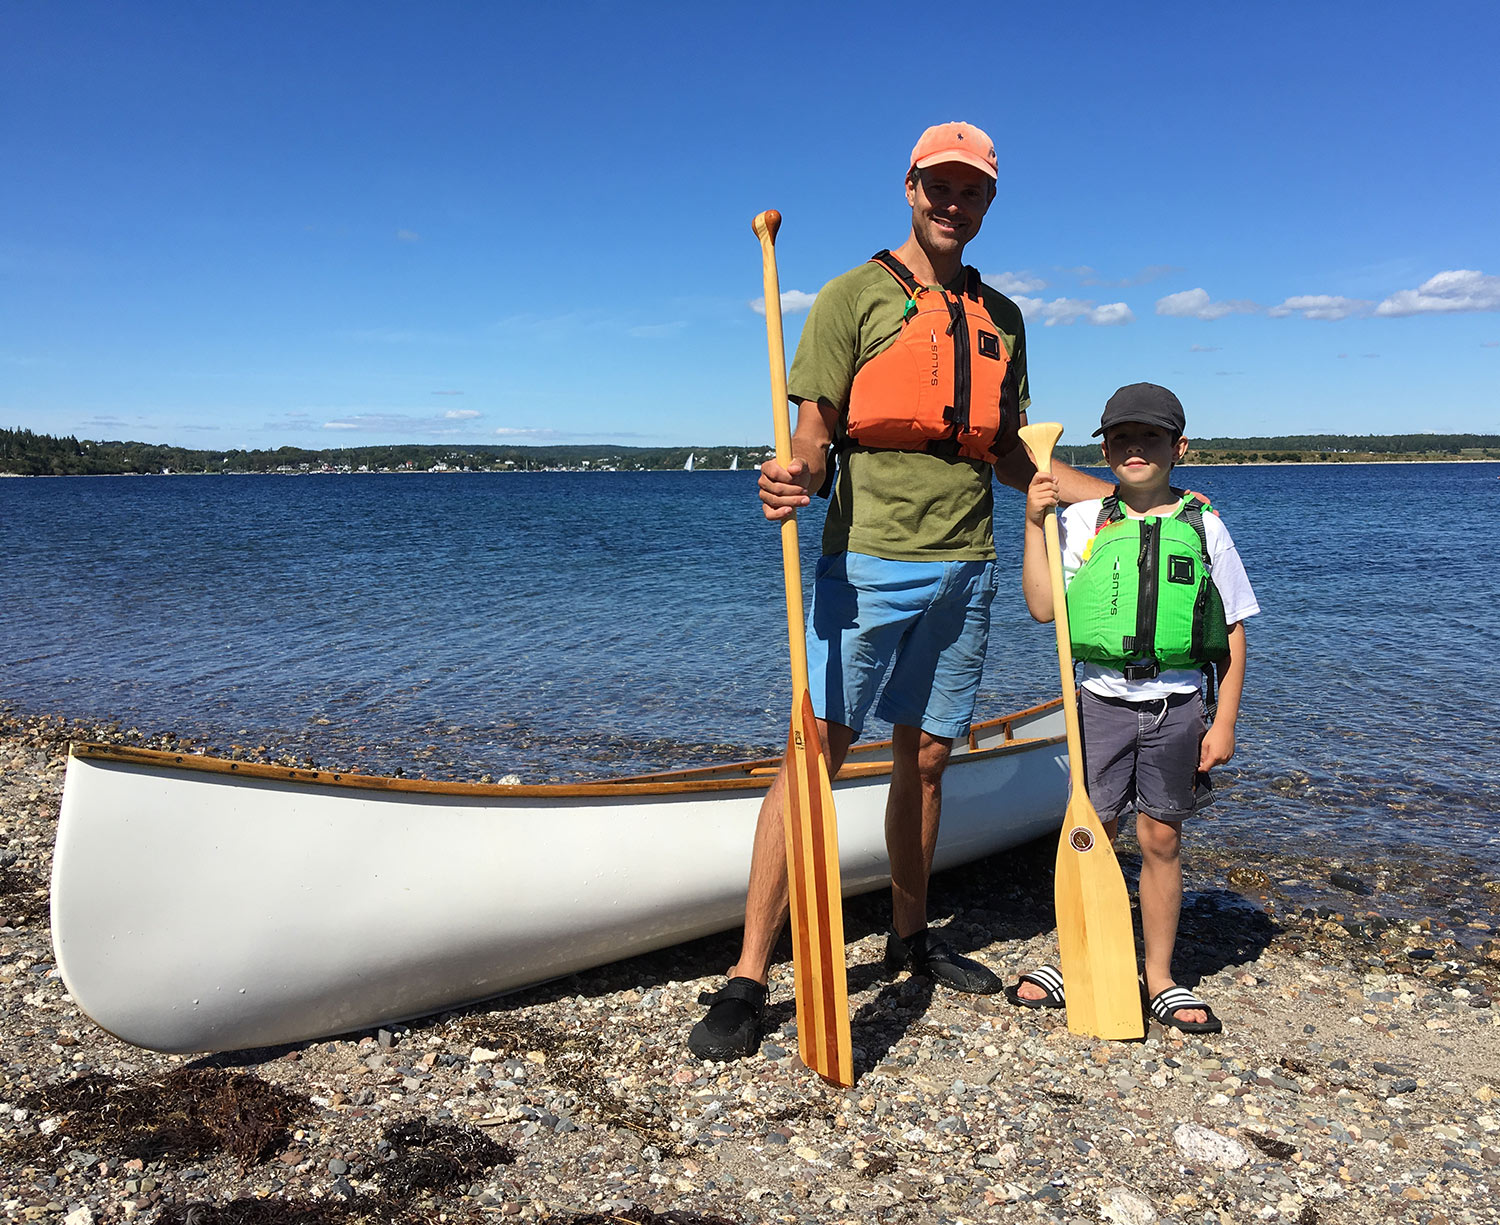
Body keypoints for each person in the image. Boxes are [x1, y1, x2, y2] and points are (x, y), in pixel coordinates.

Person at [688, 122, 1113, 1061]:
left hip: (970, 567)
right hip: (869, 564)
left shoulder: (1004, 315)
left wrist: (1119, 496)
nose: (953, 202)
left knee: (925, 762)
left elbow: (1010, 454)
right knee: (813, 758)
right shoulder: (851, 297)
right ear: (911, 187)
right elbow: (815, 431)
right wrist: (793, 473)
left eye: (973, 190)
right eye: (939, 186)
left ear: (988, 202)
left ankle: (911, 938)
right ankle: (751, 972)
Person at [1012, 382, 1259, 1032]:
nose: (1134, 448)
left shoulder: (1203, 522)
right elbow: (1043, 606)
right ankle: (1082, 953)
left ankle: (1160, 976)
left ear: (1179, 447)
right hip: (1098, 704)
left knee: (1161, 837)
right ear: (1105, 448)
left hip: (1177, 707)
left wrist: (1225, 718)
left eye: (1149, 437)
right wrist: (1033, 523)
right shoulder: (1084, 521)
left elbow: (1232, 630)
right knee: (1093, 831)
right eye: (1121, 437)